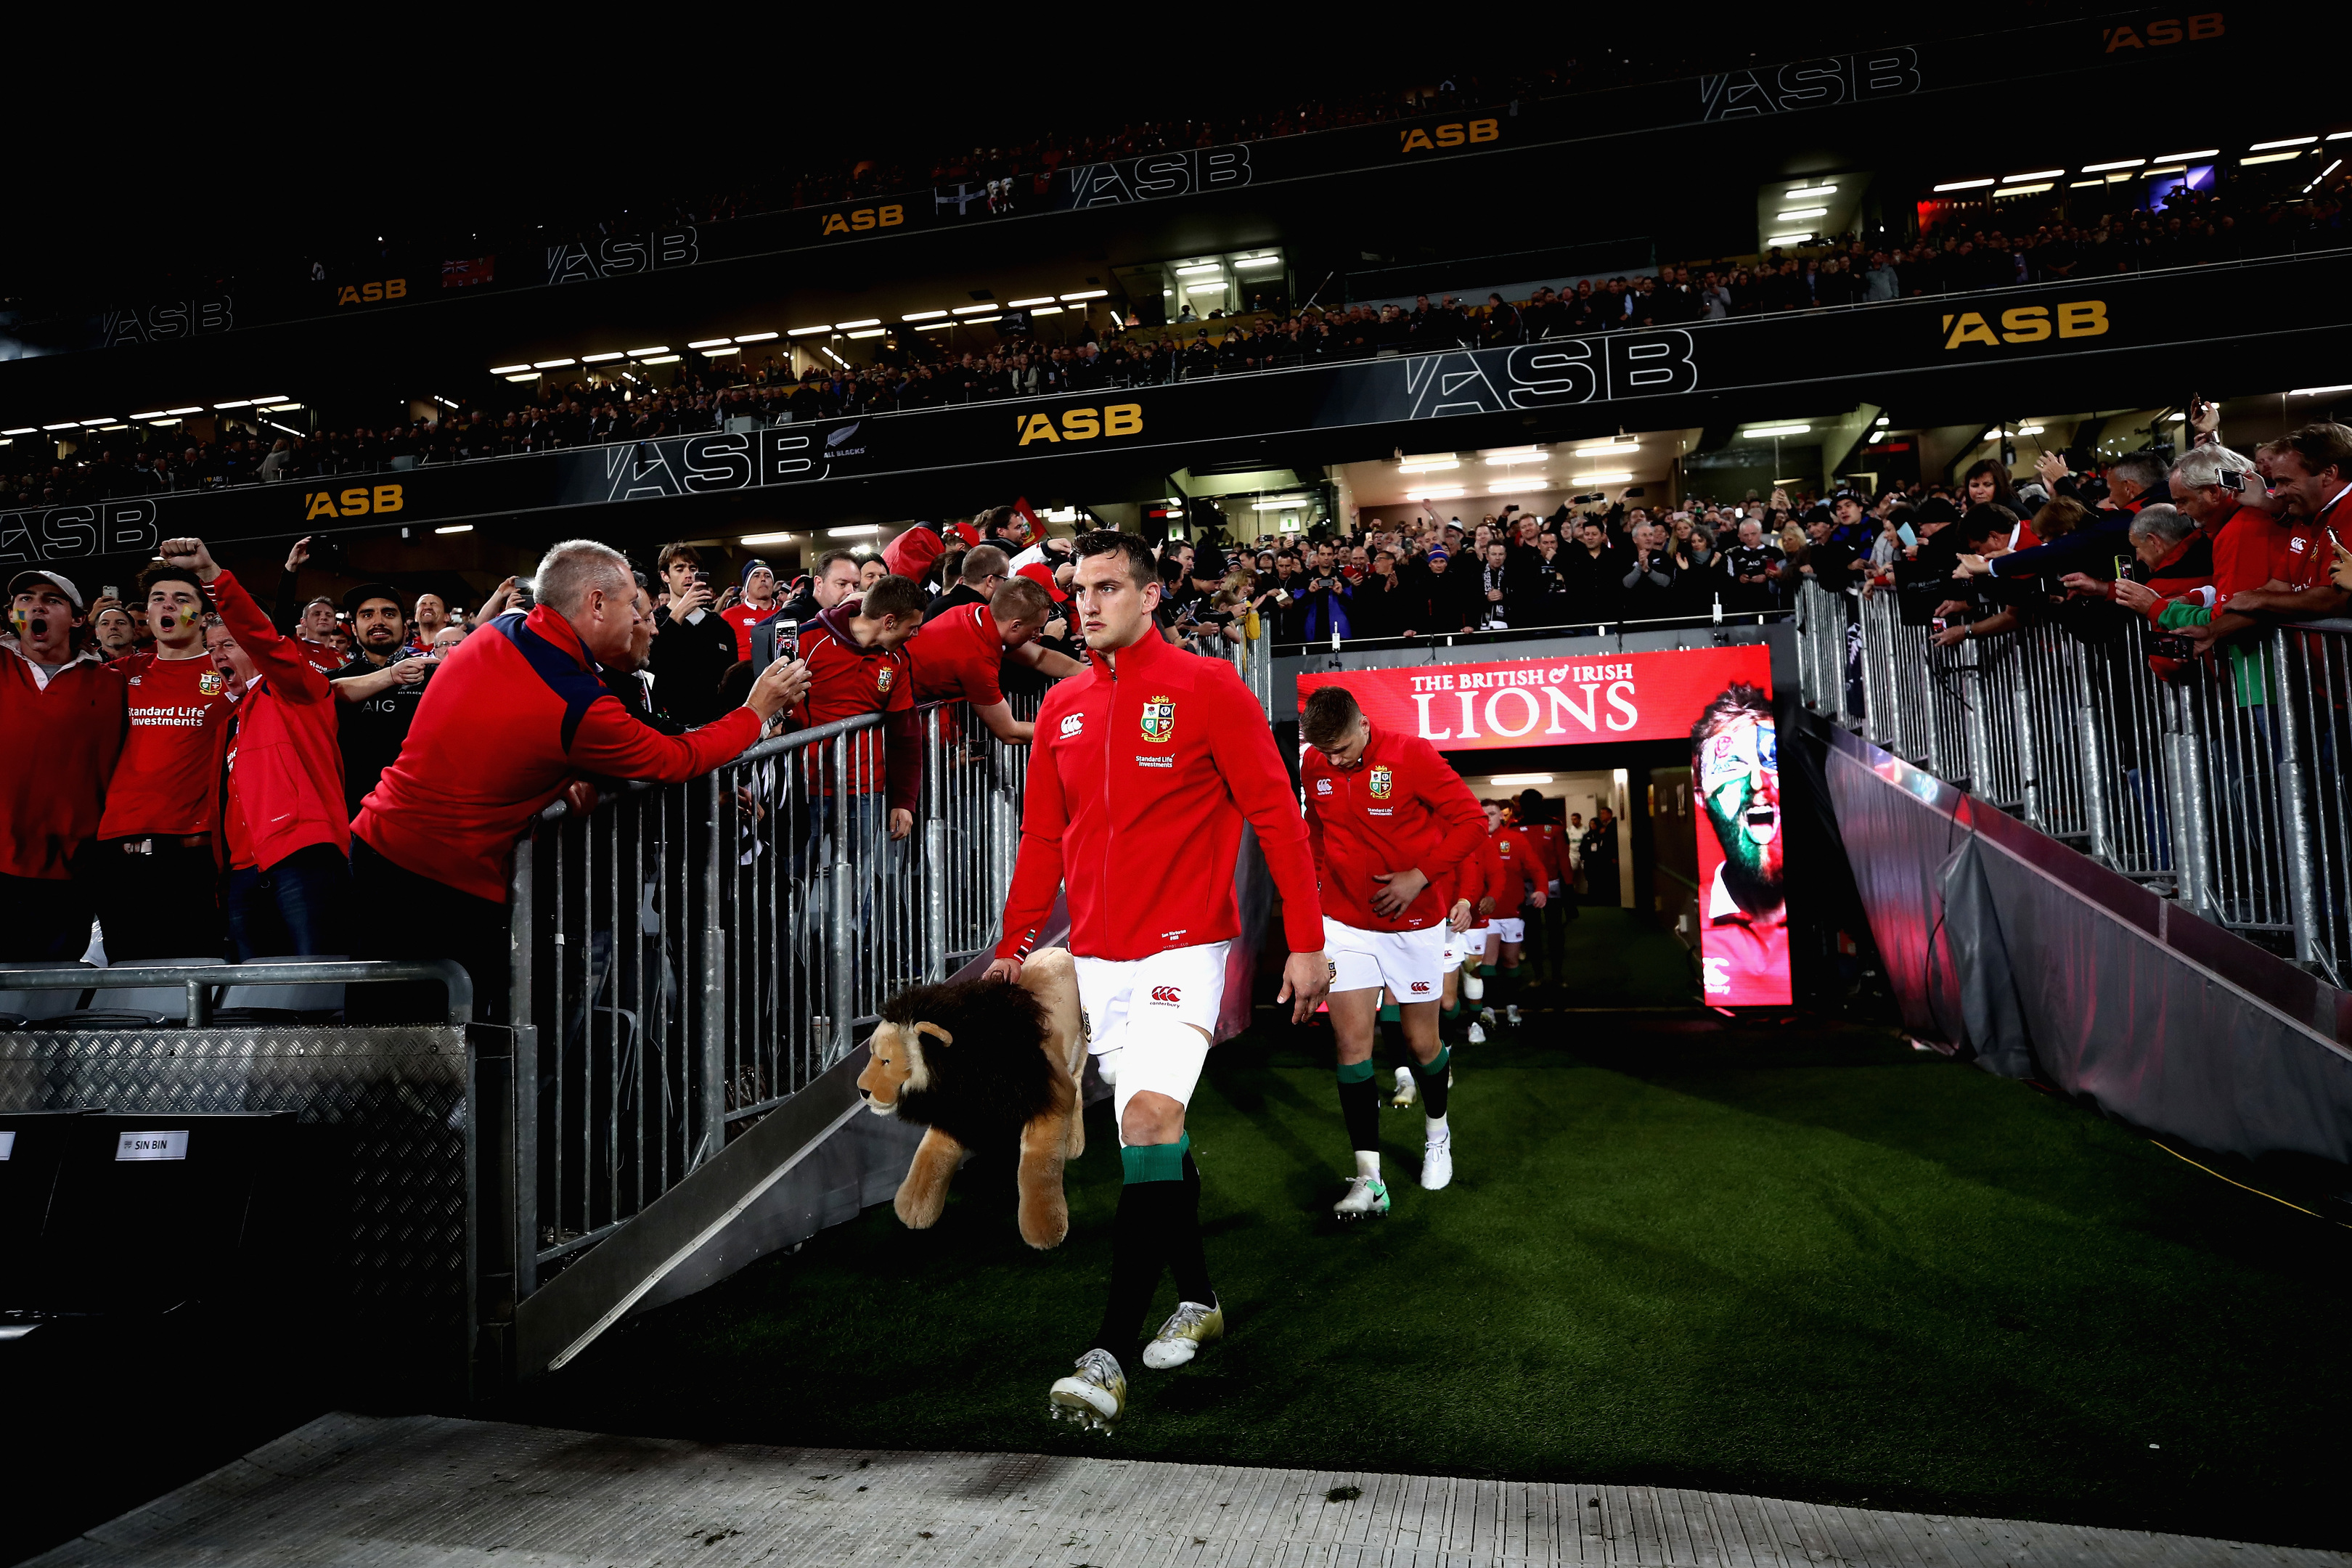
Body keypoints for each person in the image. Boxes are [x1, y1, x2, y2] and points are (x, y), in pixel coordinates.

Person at [987, 530, 1328, 1432]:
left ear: (1149, 596)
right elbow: (1043, 842)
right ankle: (1201, 1298)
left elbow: (1276, 815)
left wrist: (1306, 939)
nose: (1087, 604)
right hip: (1100, 959)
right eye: (1078, 591)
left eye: (1106, 587)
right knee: (1157, 1141)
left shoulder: (1209, 689)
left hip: (1187, 948)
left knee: (1147, 1120)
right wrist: (1014, 943)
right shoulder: (1060, 706)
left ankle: (1103, 1358)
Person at [351, 540, 810, 1019]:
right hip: (436, 882)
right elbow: (678, 759)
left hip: (384, 849)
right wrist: (756, 711)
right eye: (632, 602)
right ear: (595, 604)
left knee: (391, 1041)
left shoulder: (503, 631)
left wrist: (556, 777)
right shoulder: (577, 703)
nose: (641, 615)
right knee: (433, 1047)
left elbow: (501, 741)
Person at [1298, 685, 1485, 1217]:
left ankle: (1437, 1133)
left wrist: (1419, 878)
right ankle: (1369, 1179)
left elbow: (1471, 822)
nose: (1333, 760)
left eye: (1341, 749)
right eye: (1324, 752)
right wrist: (1313, 887)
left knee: (1423, 1044)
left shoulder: (1412, 755)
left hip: (1414, 923)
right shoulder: (1316, 763)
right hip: (1344, 925)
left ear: (1363, 724)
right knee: (1351, 1045)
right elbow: (1316, 828)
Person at [163, 539, 350, 960]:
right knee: (257, 1001)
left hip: (301, 856)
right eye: (210, 649)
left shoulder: (294, 688)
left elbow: (263, 637)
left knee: (316, 992)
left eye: (227, 645)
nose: (216, 657)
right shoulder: (229, 719)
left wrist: (213, 577)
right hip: (242, 873)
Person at [93, 560, 242, 960]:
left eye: (181, 599)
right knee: (127, 974)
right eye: (158, 599)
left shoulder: (227, 671)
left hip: (191, 850)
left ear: (203, 614)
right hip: (117, 847)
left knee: (193, 971)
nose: (168, 607)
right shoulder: (120, 674)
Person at [1, 570, 125, 960]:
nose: (36, 605)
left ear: (76, 619)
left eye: (52, 600)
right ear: (11, 615)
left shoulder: (114, 683)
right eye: (26, 599)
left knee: (52, 1001)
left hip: (72, 868)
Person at [1692, 685, 1787, 1002]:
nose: (1758, 782)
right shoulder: (1700, 915)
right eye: (1731, 765)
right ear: (1701, 796)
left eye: (1772, 759)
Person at [907, 576, 1085, 743]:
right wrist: (1072, 729)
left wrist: (1093, 676)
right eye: (1036, 629)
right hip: (906, 707)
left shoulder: (979, 613)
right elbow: (1009, 732)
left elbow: (1040, 657)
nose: (1038, 634)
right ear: (1015, 625)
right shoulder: (976, 659)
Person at [330, 583, 438, 818]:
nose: (378, 621)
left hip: (422, 813)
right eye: (367, 615)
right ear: (355, 630)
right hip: (350, 814)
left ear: (406, 626)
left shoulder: (437, 678)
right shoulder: (332, 682)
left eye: (389, 613)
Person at [648, 542, 738, 726]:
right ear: (665, 576)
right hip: (672, 728)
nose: (688, 575)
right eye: (679, 569)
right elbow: (650, 665)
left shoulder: (720, 626)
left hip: (716, 726)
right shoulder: (653, 622)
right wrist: (678, 615)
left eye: (693, 568)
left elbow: (731, 682)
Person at [759, 549, 862, 668]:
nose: (851, 591)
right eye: (842, 584)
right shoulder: (791, 617)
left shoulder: (856, 616)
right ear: (819, 583)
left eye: (856, 586)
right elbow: (784, 669)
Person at [721, 558, 784, 662]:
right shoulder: (729, 616)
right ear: (747, 586)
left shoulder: (784, 614)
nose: (763, 579)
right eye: (757, 575)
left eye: (767, 576)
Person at [1580, 806, 1620, 909]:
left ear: (1609, 814)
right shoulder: (1588, 835)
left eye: (1603, 813)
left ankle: (1606, 900)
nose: (1601, 815)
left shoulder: (1610, 827)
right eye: (1591, 824)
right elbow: (1583, 848)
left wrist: (1613, 856)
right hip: (1590, 861)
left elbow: (1612, 843)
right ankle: (1592, 899)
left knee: (1603, 880)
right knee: (1591, 880)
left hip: (1602, 860)